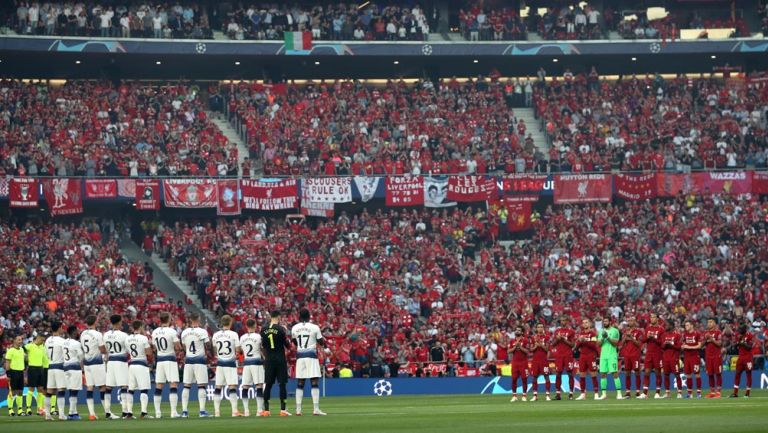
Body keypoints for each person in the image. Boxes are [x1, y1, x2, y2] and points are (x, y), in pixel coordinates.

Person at [291, 308, 327, 415]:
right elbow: (321, 342)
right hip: (311, 355)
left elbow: (294, 341)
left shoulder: (294, 328)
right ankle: (315, 409)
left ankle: (298, 410)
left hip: (300, 356)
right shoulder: (314, 327)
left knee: (300, 382)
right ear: (309, 316)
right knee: (314, 381)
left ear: (299, 316)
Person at [151, 311, 182, 418]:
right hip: (170, 359)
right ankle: (173, 412)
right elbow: (178, 347)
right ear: (168, 319)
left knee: (159, 385)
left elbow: (154, 347)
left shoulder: (154, 332)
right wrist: (178, 348)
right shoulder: (172, 331)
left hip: (160, 360)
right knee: (173, 384)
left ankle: (157, 413)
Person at [180, 312, 212, 418]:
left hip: (189, 361)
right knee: (201, 386)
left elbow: (184, 347)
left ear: (190, 319)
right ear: (198, 318)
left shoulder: (184, 332)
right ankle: (202, 411)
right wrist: (208, 341)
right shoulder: (203, 331)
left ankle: (184, 411)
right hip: (200, 361)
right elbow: (208, 346)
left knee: (186, 386)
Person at [260, 310, 291, 416]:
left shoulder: (263, 329)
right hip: (280, 359)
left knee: (268, 384)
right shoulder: (281, 329)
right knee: (282, 384)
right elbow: (287, 345)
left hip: (269, 359)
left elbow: (263, 346)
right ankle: (283, 410)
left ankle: (266, 410)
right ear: (278, 317)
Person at [212, 315, 241, 417]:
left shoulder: (215, 335)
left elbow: (215, 349)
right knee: (232, 387)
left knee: (218, 387)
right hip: (230, 363)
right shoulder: (234, 334)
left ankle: (216, 412)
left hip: (220, 363)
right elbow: (238, 350)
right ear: (230, 322)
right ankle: (234, 411)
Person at [80, 315, 107, 421]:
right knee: (102, 387)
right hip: (97, 362)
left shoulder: (82, 333)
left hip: (87, 363)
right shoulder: (98, 334)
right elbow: (103, 350)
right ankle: (107, 412)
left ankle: (91, 413)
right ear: (95, 322)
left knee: (90, 387)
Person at [104, 314, 130, 419]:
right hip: (121, 361)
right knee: (124, 386)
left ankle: (107, 412)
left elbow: (105, 349)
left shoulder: (105, 335)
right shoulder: (124, 335)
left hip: (110, 361)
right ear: (119, 322)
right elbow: (129, 350)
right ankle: (124, 412)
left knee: (109, 387)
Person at [126, 321, 153, 419]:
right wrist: (150, 345)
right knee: (144, 389)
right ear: (140, 327)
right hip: (141, 364)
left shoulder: (127, 338)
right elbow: (149, 353)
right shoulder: (143, 338)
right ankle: (143, 413)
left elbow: (127, 352)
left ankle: (129, 413)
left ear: (133, 328)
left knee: (131, 390)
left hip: (132, 364)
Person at [239, 318, 265, 417]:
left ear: (246, 326)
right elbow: (262, 348)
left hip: (247, 363)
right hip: (257, 362)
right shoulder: (258, 336)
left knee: (245, 387)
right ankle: (259, 411)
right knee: (259, 386)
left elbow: (240, 351)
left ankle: (246, 411)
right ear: (255, 325)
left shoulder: (242, 337)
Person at [44, 321, 68, 420]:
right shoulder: (62, 341)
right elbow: (65, 354)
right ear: (59, 328)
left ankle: (47, 415)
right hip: (59, 367)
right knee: (61, 390)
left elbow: (46, 353)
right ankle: (61, 415)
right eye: (61, 327)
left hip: (50, 366)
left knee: (49, 391)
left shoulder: (47, 340)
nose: (62, 329)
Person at [640, 312, 665, 399]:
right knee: (646, 372)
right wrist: (648, 337)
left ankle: (657, 392)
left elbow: (662, 343)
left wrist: (654, 338)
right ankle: (645, 393)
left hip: (658, 353)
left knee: (658, 372)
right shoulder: (648, 328)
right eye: (651, 317)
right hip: (649, 353)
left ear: (657, 319)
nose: (652, 319)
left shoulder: (661, 329)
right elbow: (643, 340)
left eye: (653, 317)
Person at [597, 316, 623, 400]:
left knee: (614, 374)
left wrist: (607, 337)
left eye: (606, 321)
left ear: (610, 322)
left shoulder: (615, 331)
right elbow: (598, 344)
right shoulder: (601, 331)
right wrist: (603, 338)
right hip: (603, 355)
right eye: (603, 321)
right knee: (603, 374)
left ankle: (619, 393)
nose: (604, 323)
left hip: (612, 355)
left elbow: (615, 343)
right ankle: (604, 394)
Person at [551, 315, 575, 400]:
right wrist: (557, 339)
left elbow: (573, 344)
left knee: (570, 373)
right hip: (559, 356)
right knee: (558, 374)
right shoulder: (557, 331)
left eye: (564, 320)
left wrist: (564, 339)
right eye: (561, 320)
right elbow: (553, 344)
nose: (562, 322)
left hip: (568, 355)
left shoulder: (571, 331)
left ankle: (571, 393)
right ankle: (558, 394)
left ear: (567, 321)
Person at [575, 318, 600, 400]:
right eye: (583, 323)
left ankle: (596, 393)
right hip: (582, 356)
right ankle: (583, 394)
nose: (585, 324)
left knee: (593, 374)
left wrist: (584, 341)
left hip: (591, 356)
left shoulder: (593, 334)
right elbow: (577, 346)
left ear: (589, 324)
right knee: (582, 375)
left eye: (586, 322)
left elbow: (593, 345)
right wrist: (580, 341)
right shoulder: (580, 334)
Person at [620, 316, 645, 398]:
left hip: (635, 355)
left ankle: (638, 391)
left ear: (635, 322)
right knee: (627, 373)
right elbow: (621, 344)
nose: (629, 322)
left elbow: (639, 344)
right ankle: (628, 392)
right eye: (628, 320)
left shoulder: (639, 332)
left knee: (637, 372)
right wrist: (625, 338)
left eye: (631, 320)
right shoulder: (625, 331)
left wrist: (631, 338)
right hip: (627, 355)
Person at [730, 321, 755, 398]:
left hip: (748, 358)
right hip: (740, 357)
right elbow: (734, 345)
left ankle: (747, 393)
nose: (739, 330)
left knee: (748, 374)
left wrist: (742, 343)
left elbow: (750, 347)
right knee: (737, 374)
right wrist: (738, 342)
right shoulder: (738, 335)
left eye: (741, 329)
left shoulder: (750, 335)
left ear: (745, 329)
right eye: (739, 329)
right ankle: (735, 393)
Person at [24, 333, 48, 415]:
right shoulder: (29, 346)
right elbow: (21, 351)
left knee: (40, 389)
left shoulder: (43, 347)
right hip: (32, 368)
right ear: (37, 338)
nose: (42, 341)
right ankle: (28, 408)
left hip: (40, 369)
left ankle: (39, 409)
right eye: (42, 340)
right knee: (31, 388)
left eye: (43, 340)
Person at [64, 326, 84, 420]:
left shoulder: (64, 342)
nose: (78, 332)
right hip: (74, 367)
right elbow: (81, 356)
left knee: (71, 390)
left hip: (66, 367)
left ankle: (73, 412)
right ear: (74, 332)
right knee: (74, 391)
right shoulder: (76, 343)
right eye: (77, 331)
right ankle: (71, 414)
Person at [4, 335, 27, 416]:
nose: (20, 341)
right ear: (14, 340)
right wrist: (8, 374)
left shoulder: (21, 350)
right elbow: (7, 363)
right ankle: (10, 410)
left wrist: (24, 375)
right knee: (12, 392)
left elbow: (23, 362)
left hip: (20, 372)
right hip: (13, 372)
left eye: (21, 340)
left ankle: (20, 410)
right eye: (18, 340)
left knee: (20, 392)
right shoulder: (10, 351)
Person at [529, 323, 551, 401]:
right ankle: (535, 395)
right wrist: (536, 345)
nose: (540, 328)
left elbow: (547, 349)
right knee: (534, 377)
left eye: (541, 327)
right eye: (538, 327)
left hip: (544, 360)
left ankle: (547, 395)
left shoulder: (547, 337)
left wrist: (541, 344)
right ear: (536, 328)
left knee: (546, 377)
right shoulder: (533, 338)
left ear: (543, 328)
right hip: (535, 360)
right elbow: (531, 349)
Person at [681, 319, 703, 399]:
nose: (686, 327)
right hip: (686, 357)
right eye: (685, 325)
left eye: (687, 325)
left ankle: (699, 393)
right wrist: (682, 346)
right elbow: (683, 344)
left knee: (697, 374)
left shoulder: (697, 334)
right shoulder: (684, 334)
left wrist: (689, 347)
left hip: (694, 357)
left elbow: (699, 346)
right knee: (688, 375)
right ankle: (689, 393)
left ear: (691, 326)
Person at [661, 319, 683, 399]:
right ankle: (667, 393)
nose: (665, 326)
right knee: (666, 375)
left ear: (671, 326)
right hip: (666, 358)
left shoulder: (677, 335)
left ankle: (679, 392)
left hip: (674, 358)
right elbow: (662, 347)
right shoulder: (664, 335)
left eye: (667, 325)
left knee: (677, 375)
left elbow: (679, 347)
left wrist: (671, 345)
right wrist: (666, 344)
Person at [703, 318, 723, 398]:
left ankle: (718, 392)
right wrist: (706, 339)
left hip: (716, 356)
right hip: (708, 356)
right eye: (708, 322)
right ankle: (712, 392)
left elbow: (720, 344)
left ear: (715, 323)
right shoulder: (705, 333)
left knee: (718, 373)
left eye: (711, 322)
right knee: (710, 374)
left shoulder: (718, 332)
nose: (709, 323)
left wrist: (711, 339)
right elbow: (701, 345)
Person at [508, 325, 530, 402]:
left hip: (523, 362)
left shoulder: (526, 340)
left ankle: (524, 395)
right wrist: (515, 347)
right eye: (516, 330)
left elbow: (527, 352)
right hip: (515, 363)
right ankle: (514, 396)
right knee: (514, 379)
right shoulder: (512, 341)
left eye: (519, 330)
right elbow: (509, 351)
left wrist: (520, 346)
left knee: (524, 379)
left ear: (522, 332)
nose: (517, 331)